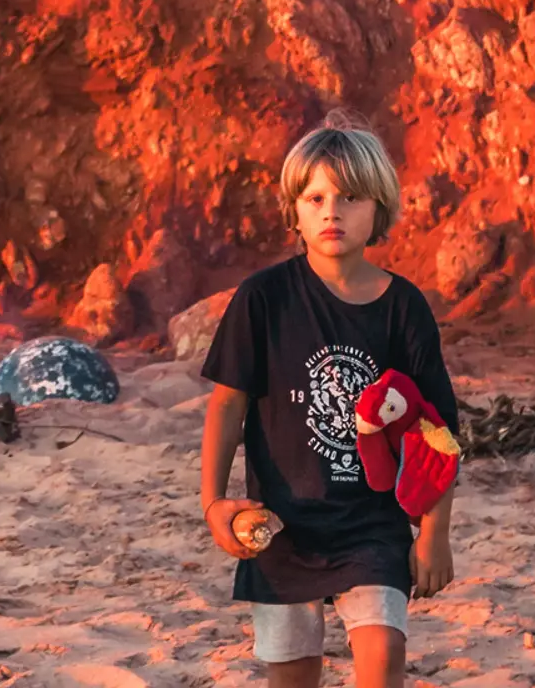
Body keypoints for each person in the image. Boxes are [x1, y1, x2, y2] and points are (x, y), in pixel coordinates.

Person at [199, 119, 459, 688]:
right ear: (293, 210)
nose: (331, 211)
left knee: (384, 655)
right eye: (315, 198)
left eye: (350, 197)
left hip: (373, 524)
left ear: (380, 209)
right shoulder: (263, 298)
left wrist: (434, 530)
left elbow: (438, 433)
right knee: (291, 675)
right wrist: (214, 503)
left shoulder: (404, 308)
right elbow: (226, 406)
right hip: (281, 524)